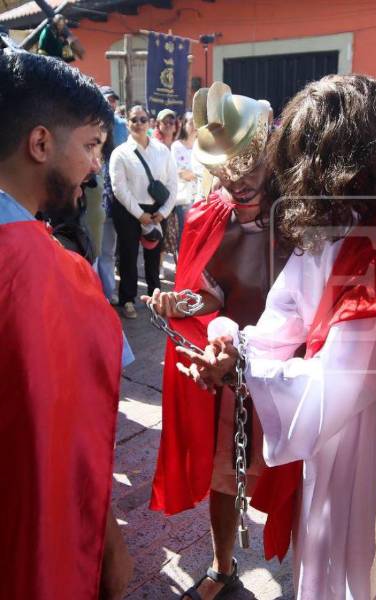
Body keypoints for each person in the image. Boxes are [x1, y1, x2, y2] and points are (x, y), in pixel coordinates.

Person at [176, 74, 376, 600]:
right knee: (322, 549)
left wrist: (243, 367)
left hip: (366, 427)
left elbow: (337, 384)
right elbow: (284, 316)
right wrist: (237, 347)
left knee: (363, 557)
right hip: (322, 430)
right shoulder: (330, 225)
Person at [0, 50, 131, 600]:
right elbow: (79, 436)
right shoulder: (61, 276)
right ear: (40, 144)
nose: (97, 166)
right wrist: (110, 551)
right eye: (92, 146)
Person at [145, 82, 278, 600]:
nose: (238, 184)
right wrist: (183, 304)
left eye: (249, 169)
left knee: (304, 477)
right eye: (227, 174)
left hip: (295, 364)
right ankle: (224, 566)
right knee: (226, 473)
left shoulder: (304, 213)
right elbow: (210, 293)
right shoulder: (208, 215)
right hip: (232, 366)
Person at [109, 104, 177, 319]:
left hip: (157, 211)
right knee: (128, 256)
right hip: (129, 210)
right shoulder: (120, 153)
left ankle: (154, 297)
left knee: (153, 256)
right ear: (127, 123)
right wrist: (139, 214)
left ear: (149, 122)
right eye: (134, 119)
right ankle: (127, 299)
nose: (138, 123)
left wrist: (164, 212)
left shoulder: (162, 150)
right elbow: (119, 188)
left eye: (142, 119)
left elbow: (172, 184)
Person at [95, 85, 131, 302]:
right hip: (92, 196)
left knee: (109, 251)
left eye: (114, 101)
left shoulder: (120, 126)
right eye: (108, 100)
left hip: (113, 198)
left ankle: (107, 293)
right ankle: (95, 293)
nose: (112, 104)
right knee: (93, 252)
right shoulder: (86, 122)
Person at [170, 110, 202, 249]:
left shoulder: (203, 146)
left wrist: (193, 174)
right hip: (183, 197)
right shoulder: (177, 146)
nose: (194, 126)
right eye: (190, 122)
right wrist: (198, 174)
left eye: (197, 123)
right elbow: (180, 173)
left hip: (200, 197)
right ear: (184, 125)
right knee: (184, 235)